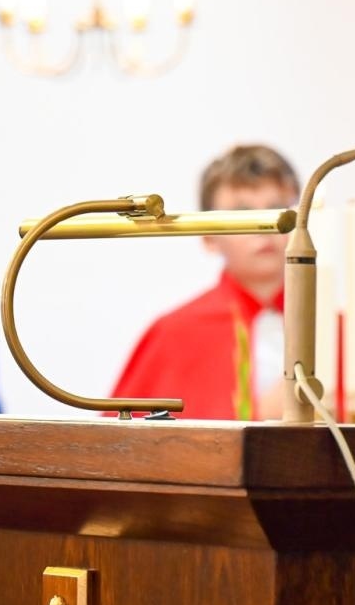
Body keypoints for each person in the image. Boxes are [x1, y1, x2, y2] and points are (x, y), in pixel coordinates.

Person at [112, 144, 299, 420]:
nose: (267, 227)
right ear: (209, 236)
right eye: (242, 212)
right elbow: (116, 448)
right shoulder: (173, 334)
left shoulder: (340, 330)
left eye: (276, 209)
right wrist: (259, 419)